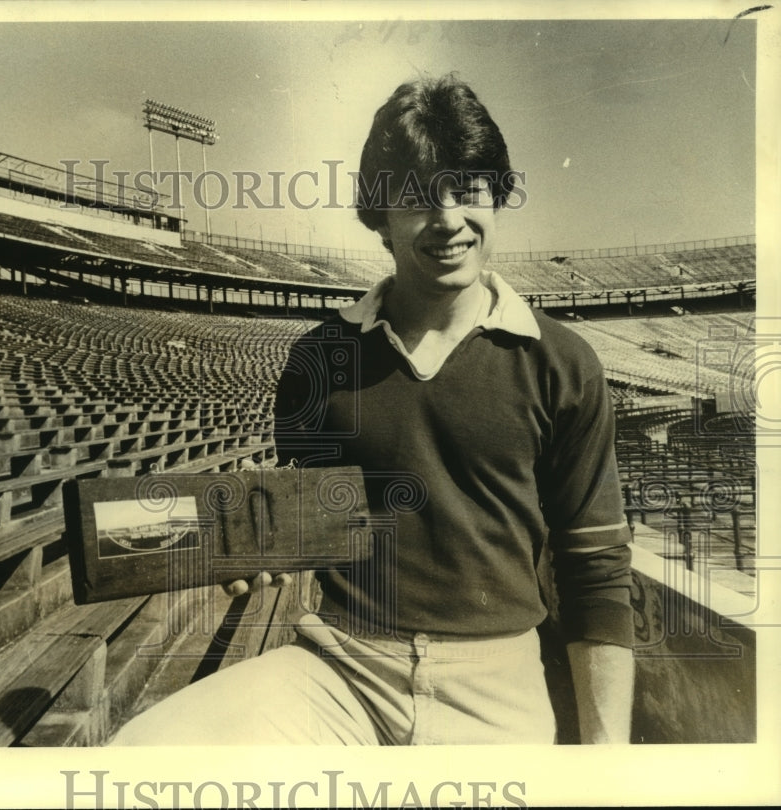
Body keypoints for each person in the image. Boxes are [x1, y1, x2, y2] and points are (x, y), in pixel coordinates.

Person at [111, 74, 634, 746]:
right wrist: (252, 549)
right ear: (380, 218)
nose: (447, 219)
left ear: (497, 199)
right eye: (416, 197)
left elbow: (595, 571)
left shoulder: (562, 362)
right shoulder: (318, 360)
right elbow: (303, 523)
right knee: (147, 753)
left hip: (497, 678)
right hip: (344, 666)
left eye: (468, 191)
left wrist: (608, 760)